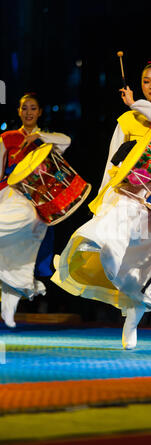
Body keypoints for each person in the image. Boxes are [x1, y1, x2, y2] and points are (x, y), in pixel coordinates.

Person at [51, 61, 151, 349]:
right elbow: (111, 163)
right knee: (104, 242)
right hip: (127, 196)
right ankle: (74, 259)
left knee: (146, 267)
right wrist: (103, 198)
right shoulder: (126, 121)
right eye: (146, 81)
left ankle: (132, 318)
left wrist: (135, 103)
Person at [0, 92, 71, 327]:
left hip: (36, 201)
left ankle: (17, 297)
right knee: (10, 255)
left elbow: (67, 141)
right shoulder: (7, 138)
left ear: (39, 112)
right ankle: (17, 293)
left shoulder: (48, 139)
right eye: (24, 108)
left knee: (21, 257)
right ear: (19, 112)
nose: (28, 112)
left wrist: (40, 136)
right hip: (10, 195)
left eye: (33, 108)